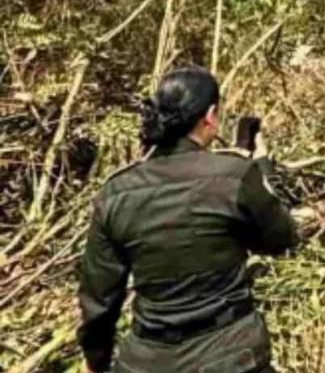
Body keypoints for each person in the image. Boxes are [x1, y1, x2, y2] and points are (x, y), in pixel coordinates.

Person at [78, 66, 299, 373]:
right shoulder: (234, 175)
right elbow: (281, 238)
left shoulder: (115, 192)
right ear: (210, 115)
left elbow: (99, 298)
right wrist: (262, 171)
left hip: (147, 360)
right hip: (231, 354)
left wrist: (96, 361)